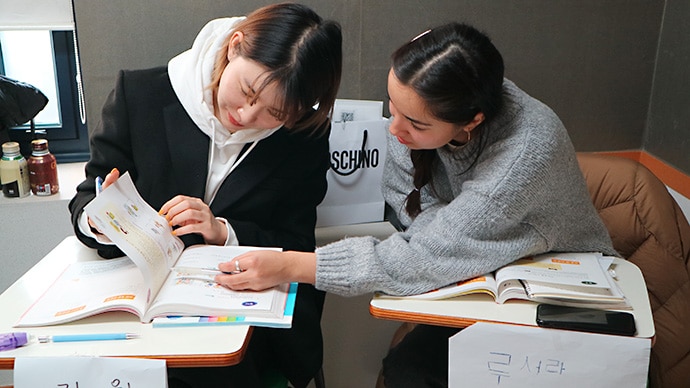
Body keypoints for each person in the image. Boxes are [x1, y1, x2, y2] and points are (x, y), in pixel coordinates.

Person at [213, 22, 618, 386]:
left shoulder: (525, 152)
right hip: (483, 281)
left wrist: (292, 265)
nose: (395, 128)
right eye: (393, 104)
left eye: (417, 124)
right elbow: (411, 213)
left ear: (471, 121)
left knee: (417, 371)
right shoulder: (417, 104)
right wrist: (445, 244)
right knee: (405, 368)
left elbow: (429, 251)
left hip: (561, 295)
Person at [68, 3, 342, 387]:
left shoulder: (302, 138)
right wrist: (100, 217)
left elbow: (296, 244)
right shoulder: (142, 93)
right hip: (139, 303)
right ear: (234, 46)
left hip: (239, 322)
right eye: (247, 91)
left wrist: (224, 232)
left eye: (274, 113)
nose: (247, 116)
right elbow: (87, 198)